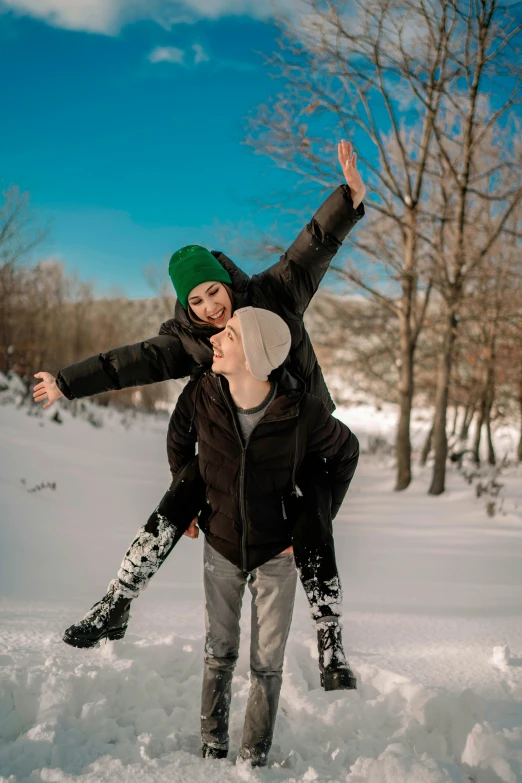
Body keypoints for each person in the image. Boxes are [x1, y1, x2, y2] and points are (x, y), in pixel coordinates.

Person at [32, 140, 365, 678]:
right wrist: (67, 382)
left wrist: (346, 199)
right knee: (185, 484)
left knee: (311, 513)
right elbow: (129, 364)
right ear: (186, 307)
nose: (212, 309)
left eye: (214, 292)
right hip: (239, 443)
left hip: (300, 436)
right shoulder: (193, 342)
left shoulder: (275, 294)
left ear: (227, 281)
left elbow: (312, 248)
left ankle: (331, 639)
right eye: (198, 302)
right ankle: (117, 600)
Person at [170, 306, 358, 766]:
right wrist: (185, 496)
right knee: (219, 652)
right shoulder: (204, 394)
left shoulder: (303, 412)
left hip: (277, 552)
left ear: (254, 356)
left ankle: (253, 755)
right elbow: (179, 438)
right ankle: (213, 747)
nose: (215, 338)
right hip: (221, 544)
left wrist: (315, 523)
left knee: (267, 665)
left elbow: (347, 454)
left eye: (228, 334)